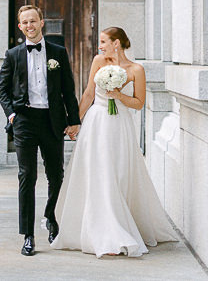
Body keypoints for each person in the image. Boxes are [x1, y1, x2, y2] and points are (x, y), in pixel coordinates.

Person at [50, 26, 177, 258]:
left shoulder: (136, 69)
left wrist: (118, 95)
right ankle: (100, 229)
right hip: (97, 122)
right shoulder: (99, 60)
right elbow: (89, 93)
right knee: (97, 172)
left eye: (103, 41)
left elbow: (139, 103)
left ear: (116, 43)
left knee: (116, 172)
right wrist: (76, 121)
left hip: (119, 124)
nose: (100, 46)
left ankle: (118, 225)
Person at [0, 4, 80, 256]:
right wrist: (12, 115)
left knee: (56, 174)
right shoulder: (12, 55)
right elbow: (2, 90)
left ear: (41, 22)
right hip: (24, 121)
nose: (30, 26)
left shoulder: (58, 52)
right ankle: (28, 235)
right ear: (20, 26)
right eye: (25, 22)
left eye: (34, 21)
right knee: (27, 176)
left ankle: (51, 217)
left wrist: (74, 119)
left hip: (52, 120)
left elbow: (68, 87)